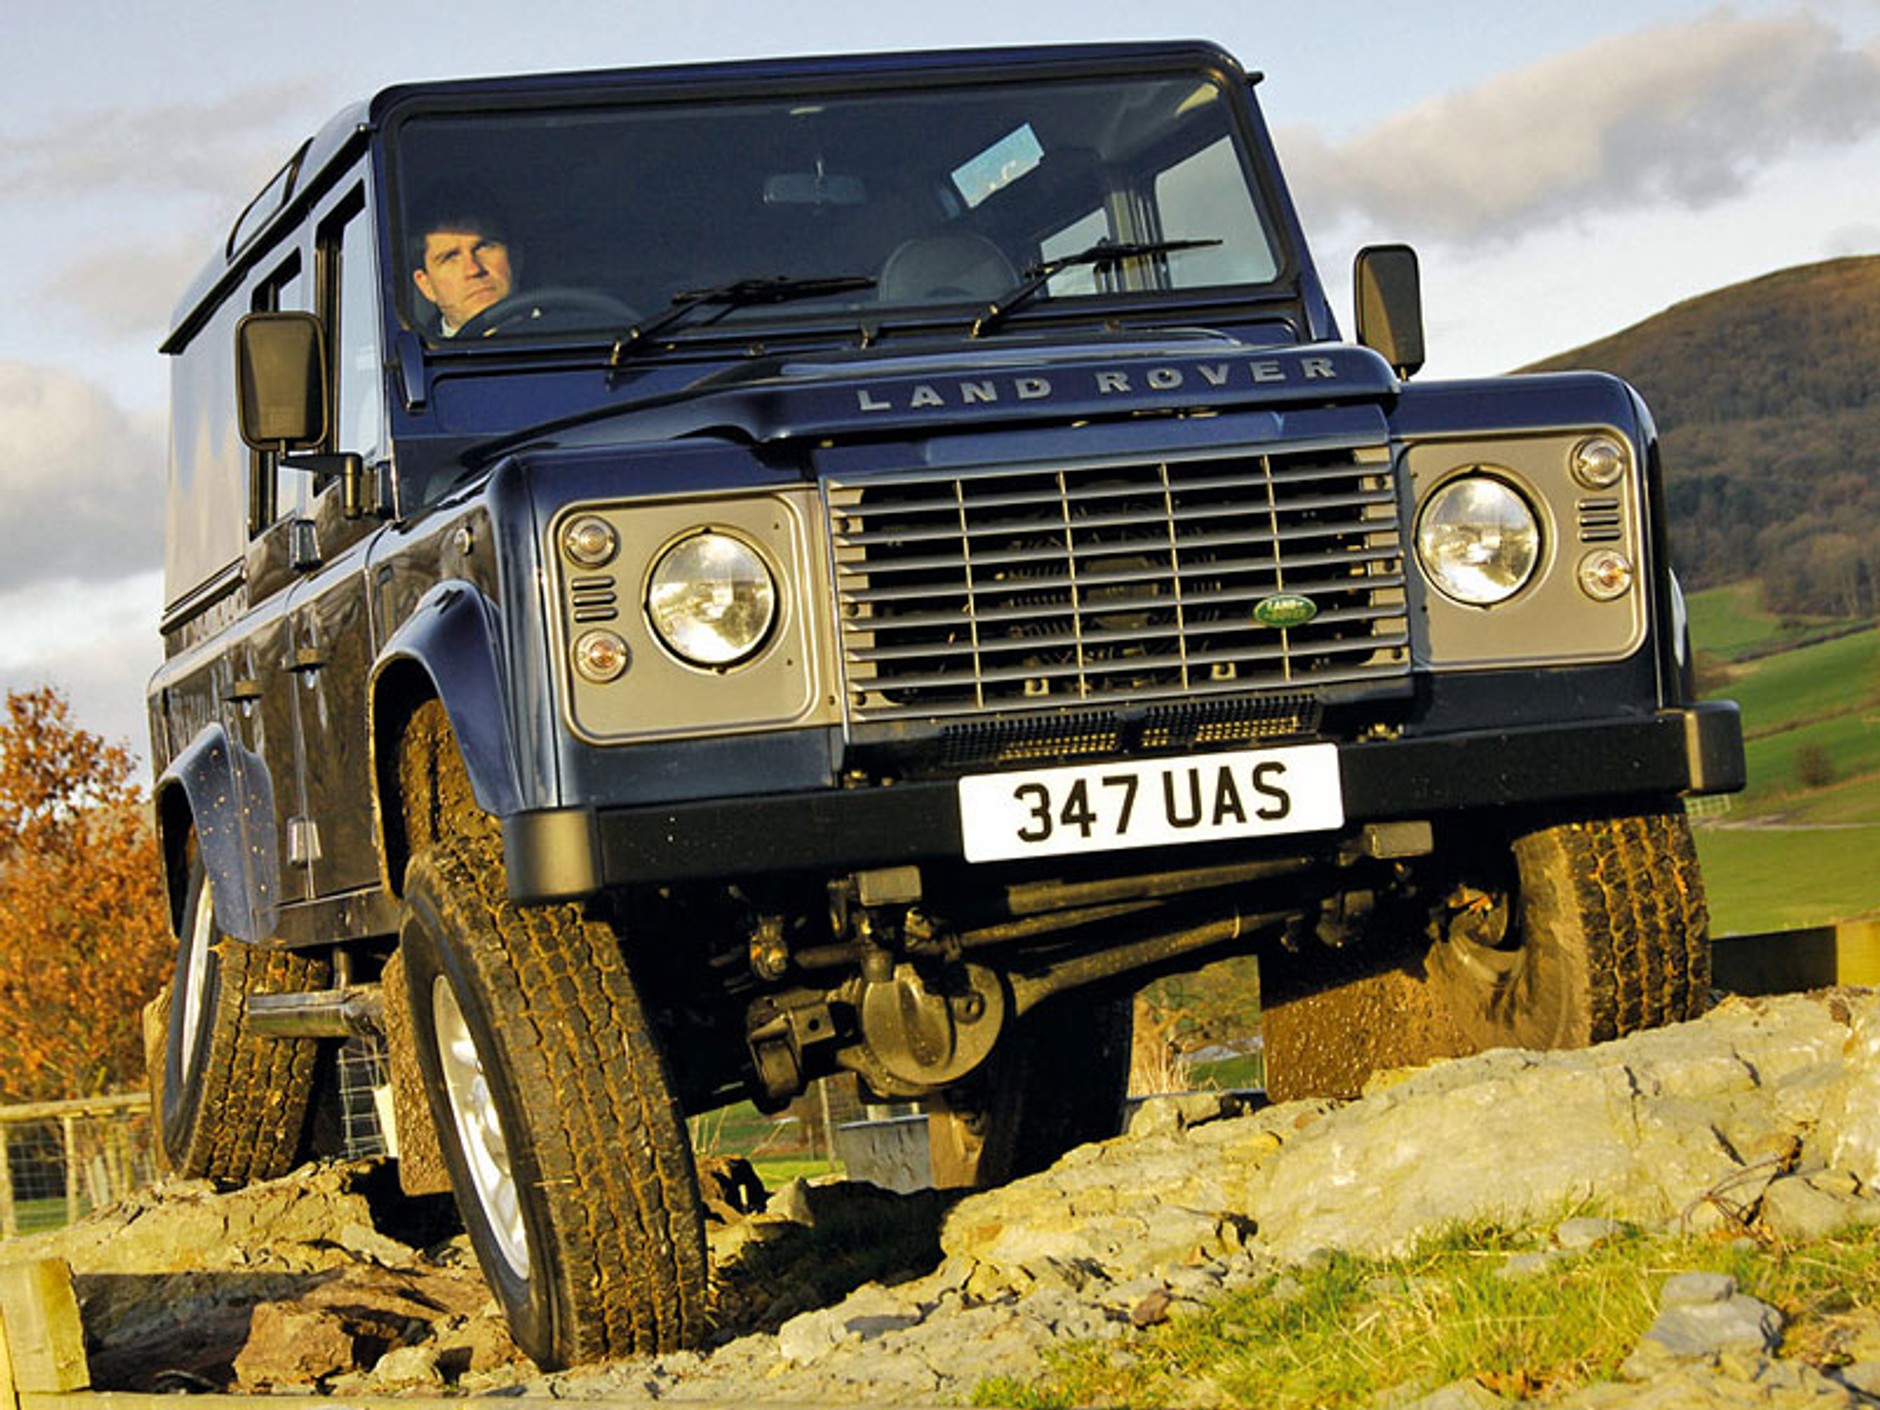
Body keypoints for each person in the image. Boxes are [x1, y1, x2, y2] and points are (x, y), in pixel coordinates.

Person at [408, 200, 517, 337]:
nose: (473, 270)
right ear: (426, 285)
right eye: (450, 257)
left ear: (515, 256)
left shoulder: (551, 332)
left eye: (483, 247)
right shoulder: (421, 353)